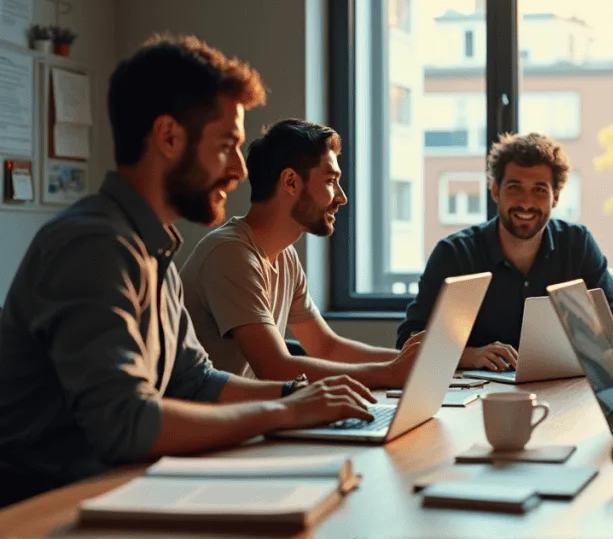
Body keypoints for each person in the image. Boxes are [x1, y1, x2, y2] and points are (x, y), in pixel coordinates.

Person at [0, 36, 375, 507]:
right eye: (226, 145)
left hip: (120, 492)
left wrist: (296, 397)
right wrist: (280, 411)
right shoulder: (93, 244)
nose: (239, 169)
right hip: (47, 507)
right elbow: (125, 423)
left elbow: (195, 381)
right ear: (169, 137)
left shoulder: (154, 249)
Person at [180, 118, 423, 388]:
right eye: (331, 181)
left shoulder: (284, 256)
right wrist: (390, 374)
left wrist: (417, 364)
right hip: (218, 424)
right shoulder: (231, 254)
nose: (341, 197)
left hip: (251, 416)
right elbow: (276, 368)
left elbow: (326, 347)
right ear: (291, 182)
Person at [397, 132, 613, 371]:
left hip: (563, 390)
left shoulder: (577, 245)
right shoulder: (454, 253)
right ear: (496, 191)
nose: (526, 202)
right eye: (515, 187)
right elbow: (409, 339)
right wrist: (468, 356)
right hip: (477, 395)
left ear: (555, 197)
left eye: (539, 190)